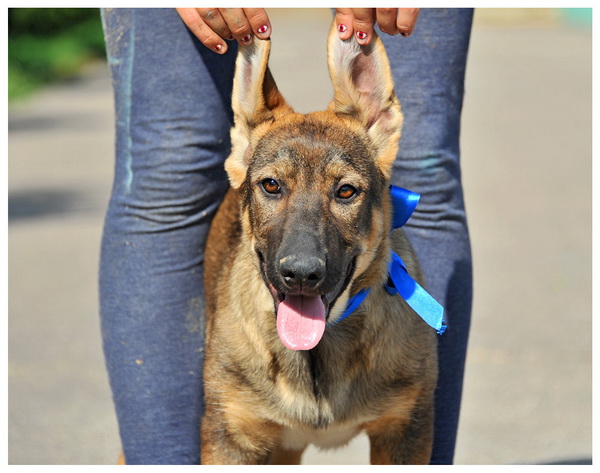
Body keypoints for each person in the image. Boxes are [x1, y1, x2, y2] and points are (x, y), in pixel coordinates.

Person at [99, 7, 473, 465]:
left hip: (386, 341)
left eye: (345, 191)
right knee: (169, 166)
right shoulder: (239, 347)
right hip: (249, 351)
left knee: (429, 165)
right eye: (272, 187)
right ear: (243, 153)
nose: (302, 264)